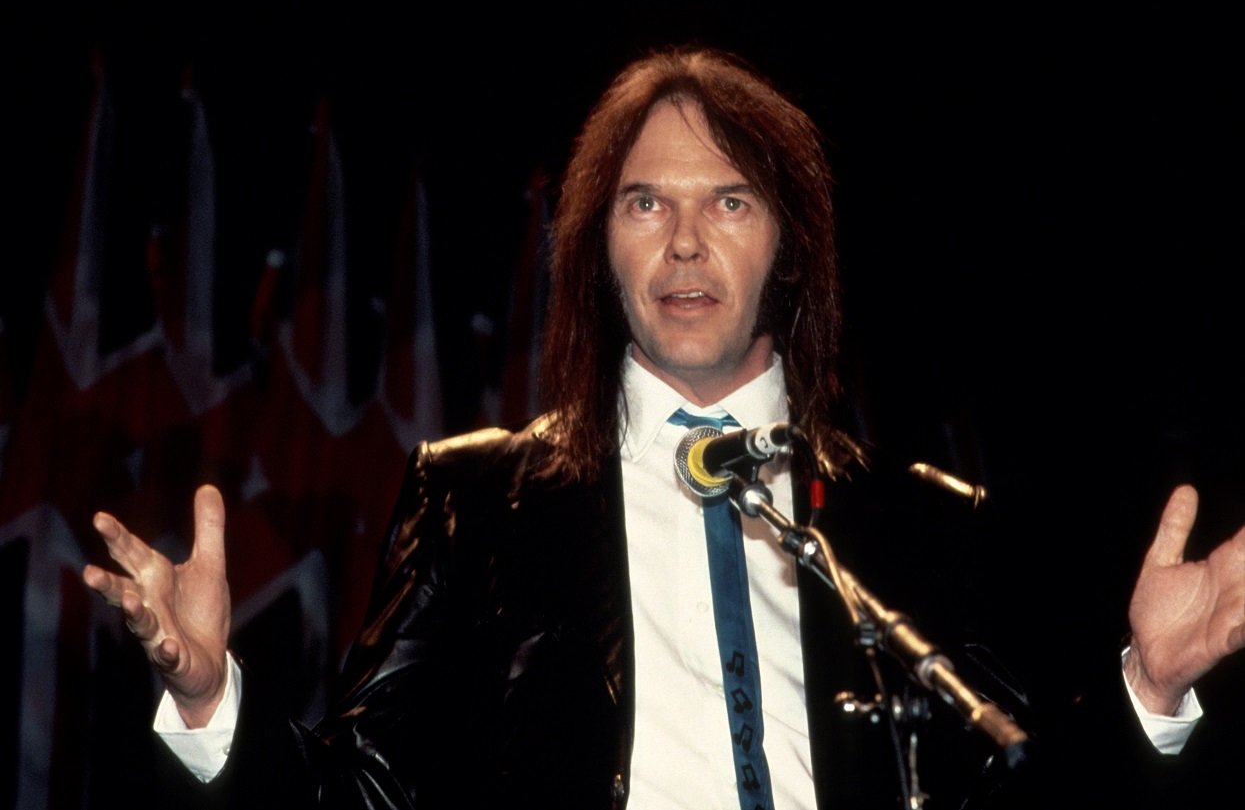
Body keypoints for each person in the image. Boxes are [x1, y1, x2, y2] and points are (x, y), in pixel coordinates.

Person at [83, 47, 1244, 810]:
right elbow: (362, 791)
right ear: (602, 247)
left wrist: (1150, 687)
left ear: (786, 247)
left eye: (729, 201)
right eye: (648, 203)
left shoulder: (922, 520)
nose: (686, 243)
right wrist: (207, 699)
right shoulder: (478, 500)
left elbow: (1017, 785)